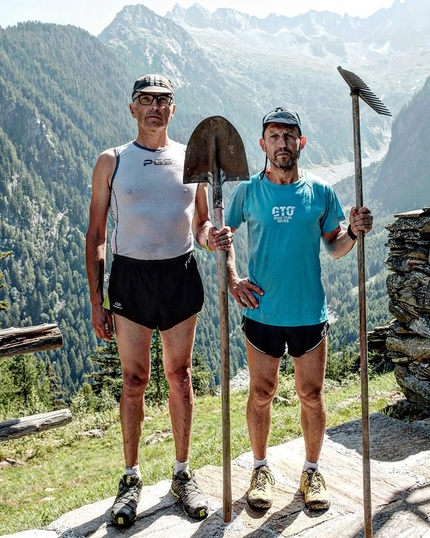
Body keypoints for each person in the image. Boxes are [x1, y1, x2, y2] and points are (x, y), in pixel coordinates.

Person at [85, 74, 232, 527]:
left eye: (163, 100)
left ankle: (182, 475)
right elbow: (95, 235)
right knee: (133, 380)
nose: (154, 107)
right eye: (145, 100)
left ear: (173, 108)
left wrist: (213, 237)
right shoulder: (112, 161)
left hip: (179, 274)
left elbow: (202, 225)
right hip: (130, 278)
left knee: (180, 374)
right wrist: (96, 299)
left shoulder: (192, 160)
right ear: (132, 109)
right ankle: (130, 480)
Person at [225, 107, 373, 511]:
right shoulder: (247, 193)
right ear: (263, 144)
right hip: (262, 313)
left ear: (301, 142)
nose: (282, 143)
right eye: (274, 136)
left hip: (309, 312)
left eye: (289, 136)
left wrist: (354, 234)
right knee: (261, 392)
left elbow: (336, 247)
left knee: (311, 394)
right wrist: (233, 279)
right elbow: (224, 238)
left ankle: (311, 471)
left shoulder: (321, 192)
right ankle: (260, 468)